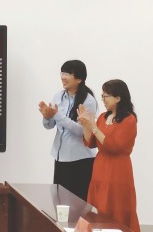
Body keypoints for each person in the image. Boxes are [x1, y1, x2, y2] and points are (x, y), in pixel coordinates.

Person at [77, 79, 140, 232]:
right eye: (102, 96)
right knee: (98, 207)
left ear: (118, 98)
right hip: (100, 169)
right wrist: (85, 125)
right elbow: (90, 142)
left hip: (118, 171)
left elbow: (113, 146)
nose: (103, 100)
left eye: (106, 96)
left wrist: (93, 126)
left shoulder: (129, 120)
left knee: (117, 208)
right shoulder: (103, 117)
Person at [39, 60, 97, 200]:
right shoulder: (58, 96)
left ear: (79, 79)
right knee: (60, 201)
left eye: (68, 74)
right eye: (62, 73)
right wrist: (47, 117)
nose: (63, 77)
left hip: (80, 160)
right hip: (60, 157)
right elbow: (49, 126)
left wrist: (57, 116)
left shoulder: (88, 100)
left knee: (79, 203)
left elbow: (83, 131)